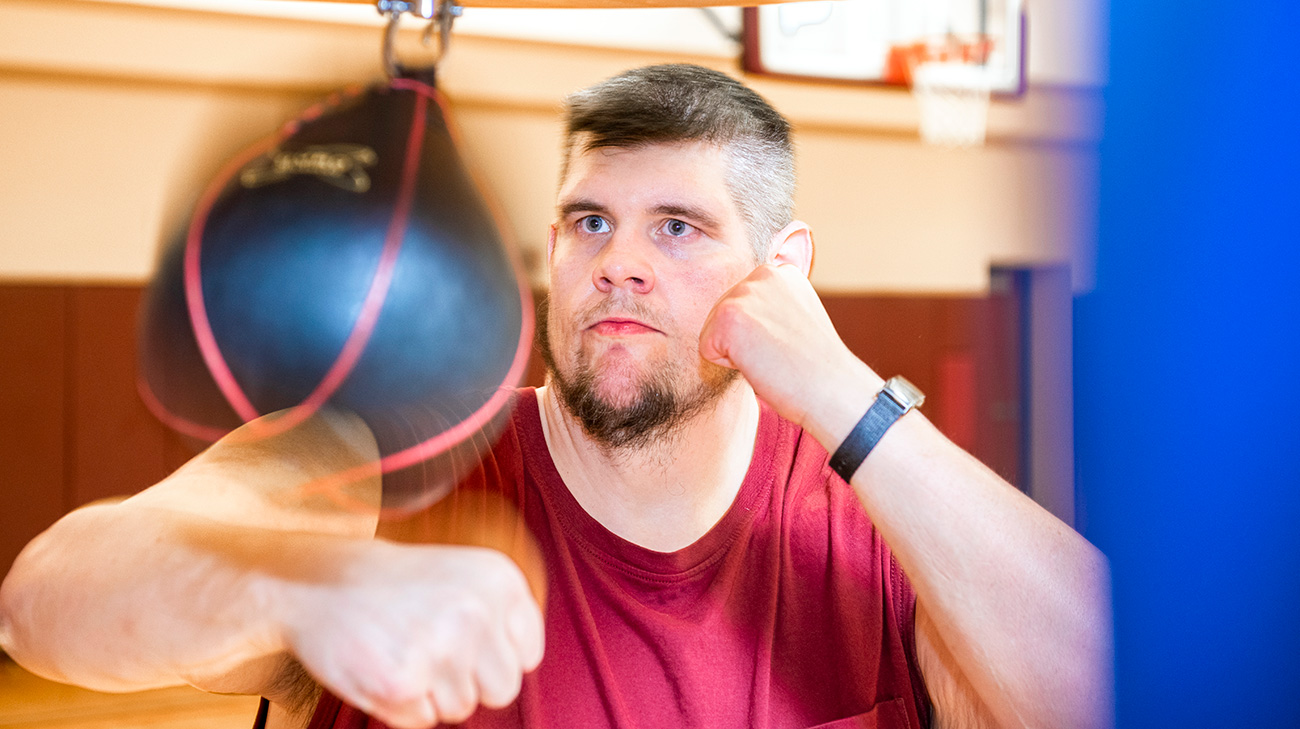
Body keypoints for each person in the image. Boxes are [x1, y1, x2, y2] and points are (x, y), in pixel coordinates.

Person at [0, 64, 1110, 729]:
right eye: (590, 223)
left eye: (675, 227)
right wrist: (304, 584)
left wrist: (850, 400)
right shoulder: (389, 465)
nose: (617, 263)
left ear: (783, 265)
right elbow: (41, 606)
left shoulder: (873, 526)